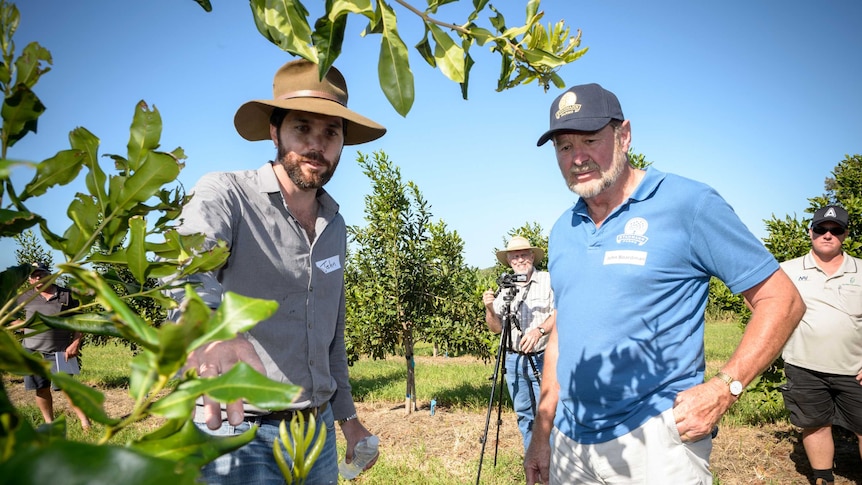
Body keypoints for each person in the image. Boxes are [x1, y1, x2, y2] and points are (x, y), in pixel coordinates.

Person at [524, 83, 806, 484]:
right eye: (564, 147)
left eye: (590, 140)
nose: (578, 158)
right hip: (570, 444)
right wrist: (542, 433)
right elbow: (561, 335)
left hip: (655, 442)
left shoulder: (688, 204)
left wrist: (725, 388)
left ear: (624, 135)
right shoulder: (562, 230)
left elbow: (783, 299)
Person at [167, 59, 386, 484]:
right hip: (236, 432)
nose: (316, 146)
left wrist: (348, 420)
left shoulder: (334, 225)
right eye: (302, 128)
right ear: (274, 132)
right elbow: (183, 267)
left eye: (330, 133)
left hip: (315, 434)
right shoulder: (226, 194)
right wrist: (212, 329)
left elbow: (330, 336)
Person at [779, 205, 862, 485]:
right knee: (814, 424)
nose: (828, 234)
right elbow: (760, 301)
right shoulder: (787, 270)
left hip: (855, 368)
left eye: (835, 230)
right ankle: (823, 478)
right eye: (821, 229)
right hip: (804, 366)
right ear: (811, 231)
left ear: (845, 234)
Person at [482, 235, 555, 451]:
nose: (520, 260)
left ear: (532, 256)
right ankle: (532, 465)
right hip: (513, 360)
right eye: (515, 257)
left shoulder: (548, 281)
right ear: (509, 261)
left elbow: (562, 312)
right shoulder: (505, 287)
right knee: (524, 415)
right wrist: (489, 308)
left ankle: (552, 467)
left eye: (524, 255)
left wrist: (539, 330)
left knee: (548, 414)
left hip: (543, 357)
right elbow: (496, 328)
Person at [16, 262, 91, 430]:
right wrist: (23, 324)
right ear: (29, 279)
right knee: (41, 389)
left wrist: (75, 342)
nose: (38, 278)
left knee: (68, 389)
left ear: (49, 275)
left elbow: (80, 321)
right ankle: (49, 423)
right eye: (33, 275)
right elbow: (9, 318)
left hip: (61, 351)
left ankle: (85, 422)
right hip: (32, 351)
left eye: (41, 274)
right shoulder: (24, 297)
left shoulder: (66, 295)